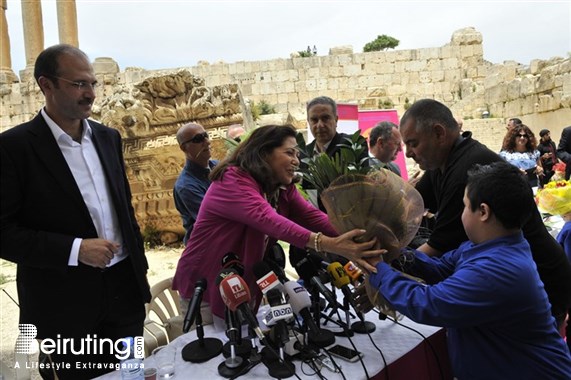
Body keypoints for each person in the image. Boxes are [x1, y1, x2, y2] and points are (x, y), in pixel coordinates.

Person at [0, 44, 150, 379]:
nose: (90, 94)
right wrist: (75, 250)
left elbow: (124, 210)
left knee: (132, 374)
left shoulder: (109, 137)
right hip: (63, 307)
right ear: (46, 85)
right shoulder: (13, 148)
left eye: (93, 84)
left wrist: (138, 273)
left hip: (125, 297)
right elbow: (4, 234)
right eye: (79, 84)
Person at [364, 162, 571, 379]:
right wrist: (398, 253)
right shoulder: (488, 246)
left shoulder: (498, 269)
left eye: (464, 206)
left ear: (483, 212)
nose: (461, 213)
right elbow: (441, 269)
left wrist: (378, 267)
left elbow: (428, 303)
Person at [172, 124, 381, 319]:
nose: (297, 161)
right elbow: (269, 220)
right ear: (264, 154)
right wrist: (330, 244)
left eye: (297, 154)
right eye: (289, 153)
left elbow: (312, 216)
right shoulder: (232, 179)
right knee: (224, 354)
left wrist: (359, 236)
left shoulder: (280, 185)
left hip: (243, 284)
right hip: (206, 287)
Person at [399, 99, 571, 328]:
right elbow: (411, 207)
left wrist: (384, 275)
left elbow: (435, 251)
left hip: (542, 279)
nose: (409, 153)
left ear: (439, 133)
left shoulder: (466, 168)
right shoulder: (441, 163)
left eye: (413, 143)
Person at [173, 123, 218, 244]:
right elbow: (215, 220)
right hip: (208, 247)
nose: (207, 142)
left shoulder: (218, 166)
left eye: (206, 136)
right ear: (184, 148)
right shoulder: (186, 186)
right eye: (198, 139)